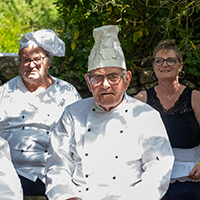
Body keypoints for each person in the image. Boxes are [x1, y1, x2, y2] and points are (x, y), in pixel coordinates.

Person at [45, 25, 174, 200]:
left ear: (126, 79)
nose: (105, 84)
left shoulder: (146, 116)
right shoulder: (72, 114)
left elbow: (159, 167)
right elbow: (57, 165)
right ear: (88, 82)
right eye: (97, 77)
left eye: (113, 76)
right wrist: (67, 197)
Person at [0, 29, 81, 196]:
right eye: (25, 60)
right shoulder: (4, 92)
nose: (31, 65)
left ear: (48, 63)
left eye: (37, 59)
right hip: (11, 171)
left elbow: (81, 131)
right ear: (18, 64)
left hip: (55, 170)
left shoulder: (66, 92)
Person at [135, 39, 200, 200]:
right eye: (159, 61)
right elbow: (132, 139)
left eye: (171, 60)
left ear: (181, 66)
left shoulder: (195, 98)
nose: (165, 65)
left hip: (189, 175)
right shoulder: (142, 99)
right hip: (150, 174)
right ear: (154, 66)